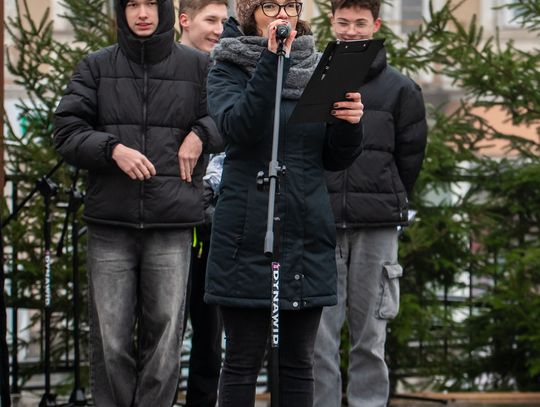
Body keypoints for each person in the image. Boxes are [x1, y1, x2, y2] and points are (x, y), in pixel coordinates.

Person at [53, 0, 220, 405]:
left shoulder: (199, 67)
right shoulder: (96, 66)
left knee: (165, 339)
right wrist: (111, 149)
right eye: (132, 4)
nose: (142, 13)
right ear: (121, 11)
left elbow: (229, 119)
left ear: (164, 9)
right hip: (111, 224)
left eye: (150, 4)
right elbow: (66, 130)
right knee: (111, 340)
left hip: (171, 223)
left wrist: (201, 134)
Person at [204, 0, 366, 405]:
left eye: (290, 5)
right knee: (241, 360)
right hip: (247, 232)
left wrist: (350, 125)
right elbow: (239, 128)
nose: (282, 14)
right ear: (250, 13)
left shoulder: (318, 69)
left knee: (298, 362)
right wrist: (271, 61)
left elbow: (333, 158)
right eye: (270, 5)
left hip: (305, 228)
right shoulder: (228, 66)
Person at [312, 1, 428, 406]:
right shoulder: (315, 78)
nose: (351, 30)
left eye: (360, 23)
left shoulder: (401, 88)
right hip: (322, 221)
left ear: (376, 25)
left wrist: (385, 197)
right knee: (319, 338)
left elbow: (411, 157)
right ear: (332, 22)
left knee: (371, 335)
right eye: (343, 22)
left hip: (376, 225)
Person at [178, 0, 228, 406]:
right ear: (184, 20)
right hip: (171, 218)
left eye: (224, 21)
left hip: (214, 221)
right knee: (164, 328)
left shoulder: (224, 72)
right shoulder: (168, 70)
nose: (219, 29)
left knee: (210, 335)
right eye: (210, 20)